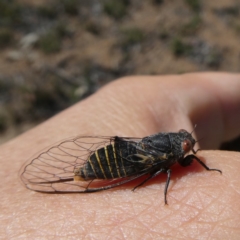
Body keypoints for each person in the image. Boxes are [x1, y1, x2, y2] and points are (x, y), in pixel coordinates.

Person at [1, 72, 240, 239]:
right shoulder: (169, 159)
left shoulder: (172, 147)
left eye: (186, 144)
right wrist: (164, 190)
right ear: (180, 147)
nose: (189, 149)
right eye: (186, 145)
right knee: (147, 168)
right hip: (125, 164)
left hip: (135, 150)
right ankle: (83, 172)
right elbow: (163, 172)